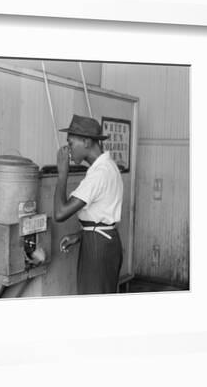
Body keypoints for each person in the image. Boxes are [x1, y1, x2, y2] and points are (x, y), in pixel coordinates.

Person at [53, 114, 123, 294]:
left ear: (86, 142)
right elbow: (102, 217)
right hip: (101, 240)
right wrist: (81, 235)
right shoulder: (108, 167)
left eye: (70, 143)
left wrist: (62, 173)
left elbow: (60, 213)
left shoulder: (99, 173)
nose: (68, 150)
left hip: (98, 248)